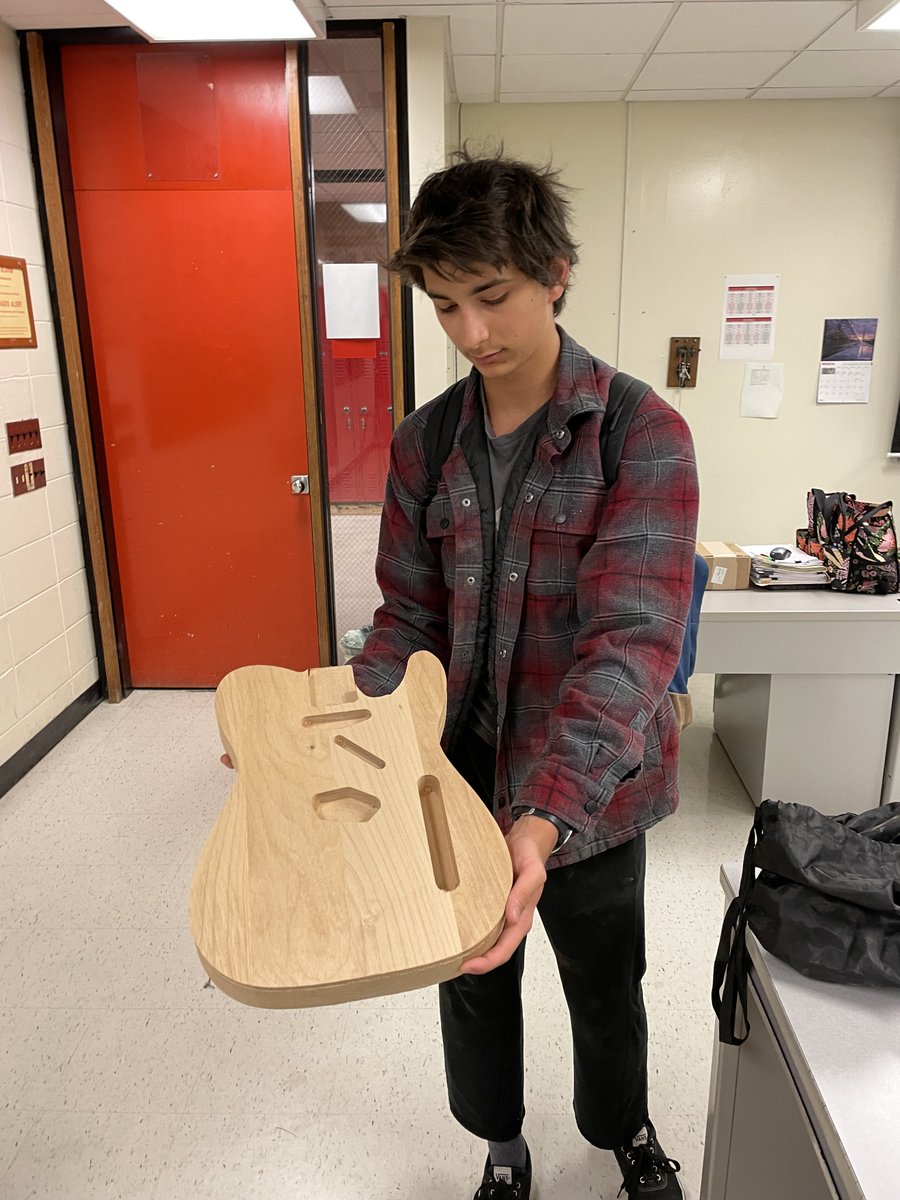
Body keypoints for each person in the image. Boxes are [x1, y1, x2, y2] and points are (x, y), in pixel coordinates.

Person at [349, 149, 699, 1200]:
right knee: (470, 979)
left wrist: (543, 823)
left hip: (591, 798)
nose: (469, 333)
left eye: (490, 297)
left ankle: (625, 1130)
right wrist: (336, 725)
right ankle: (502, 1148)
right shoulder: (425, 443)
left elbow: (628, 644)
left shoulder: (643, 434)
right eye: (444, 305)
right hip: (457, 779)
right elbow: (407, 616)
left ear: (556, 273)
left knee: (604, 982)